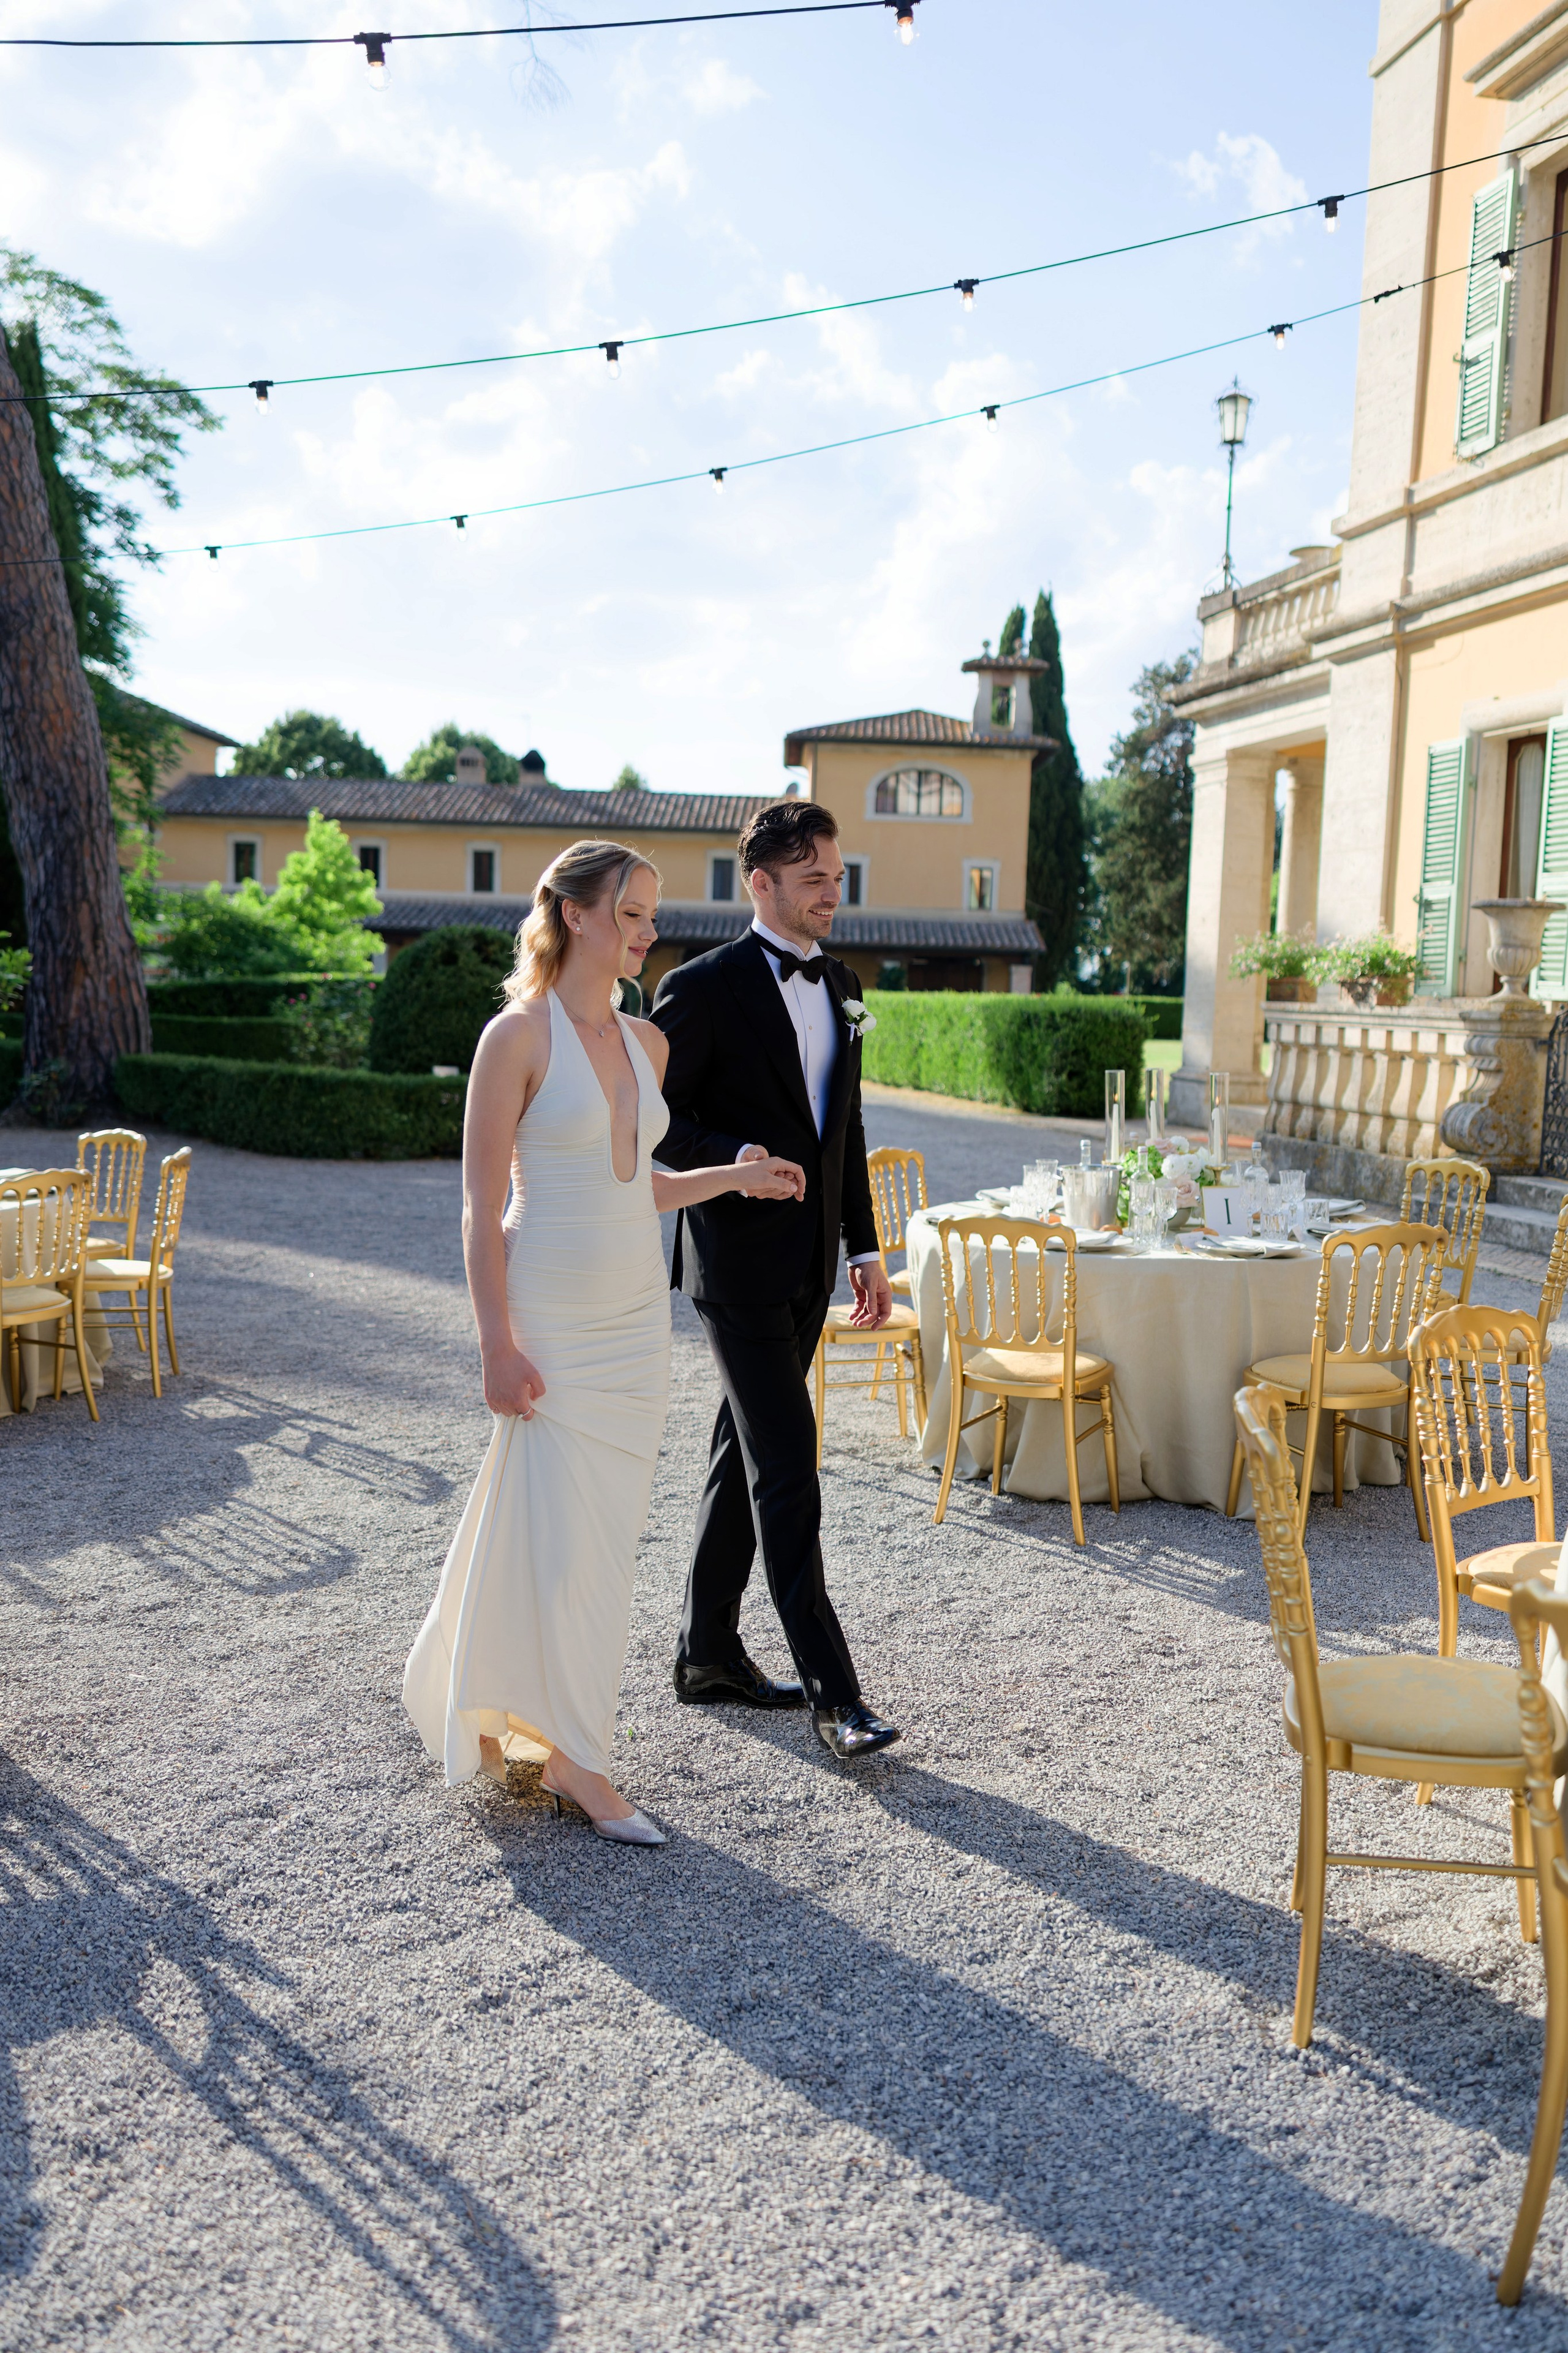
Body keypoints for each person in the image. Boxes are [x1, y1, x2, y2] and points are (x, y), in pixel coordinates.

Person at [402, 840, 805, 1845]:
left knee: (590, 1537)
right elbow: (477, 1206)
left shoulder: (647, 1041)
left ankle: (490, 1698)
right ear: (576, 913)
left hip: (636, 1322)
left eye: (652, 914)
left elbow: (641, 1187)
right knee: (567, 1536)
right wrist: (496, 1344)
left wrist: (732, 1176)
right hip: (552, 1315)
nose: (649, 929)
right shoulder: (515, 1036)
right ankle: (579, 1758)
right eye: (632, 912)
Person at [650, 799, 901, 1761]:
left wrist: (864, 1246)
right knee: (788, 1468)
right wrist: (735, 1155)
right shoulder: (700, 987)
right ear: (761, 884)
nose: (832, 895)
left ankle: (707, 1649)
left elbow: (848, 1128)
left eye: (838, 878)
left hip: (809, 1269)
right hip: (735, 1266)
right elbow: (658, 1124)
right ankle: (839, 1698)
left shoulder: (842, 982)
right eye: (813, 881)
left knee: (740, 1453)